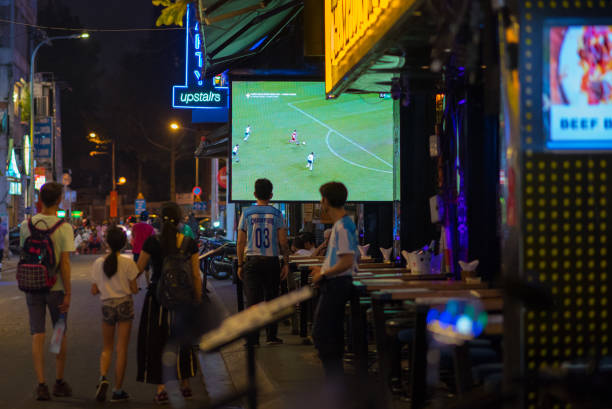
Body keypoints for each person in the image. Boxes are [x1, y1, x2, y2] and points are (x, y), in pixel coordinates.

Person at [135, 202, 202, 404]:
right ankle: (185, 385)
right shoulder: (189, 243)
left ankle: (162, 388)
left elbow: (138, 269)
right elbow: (196, 276)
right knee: (182, 340)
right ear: (180, 218)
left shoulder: (152, 242)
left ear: (161, 219)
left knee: (158, 342)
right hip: (183, 300)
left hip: (157, 299)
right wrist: (197, 300)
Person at [20, 182, 75, 400]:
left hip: (32, 286)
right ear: (59, 201)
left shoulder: (27, 225)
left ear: (40, 199)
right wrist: (69, 293)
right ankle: (58, 382)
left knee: (37, 334)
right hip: (57, 289)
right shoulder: (65, 227)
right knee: (59, 333)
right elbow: (65, 264)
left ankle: (41, 384)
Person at [310, 182, 358, 378]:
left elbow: (347, 261)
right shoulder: (342, 224)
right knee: (331, 332)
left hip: (337, 285)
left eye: (322, 199)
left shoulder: (343, 226)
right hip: (335, 283)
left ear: (326, 201)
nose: (322, 203)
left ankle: (334, 379)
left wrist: (323, 274)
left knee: (322, 333)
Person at [236, 178, 290, 346]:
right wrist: (286, 262)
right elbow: (283, 241)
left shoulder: (247, 213)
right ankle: (271, 336)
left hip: (252, 261)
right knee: (271, 299)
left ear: (254, 194)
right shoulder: (277, 214)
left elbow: (240, 242)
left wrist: (239, 264)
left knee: (252, 301)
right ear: (271, 195)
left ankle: (252, 339)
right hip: (271, 261)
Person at [91, 227, 139, 402]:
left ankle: (103, 377)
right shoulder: (128, 263)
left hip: (107, 306)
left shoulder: (98, 263)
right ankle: (118, 390)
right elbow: (134, 289)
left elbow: (94, 290)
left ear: (106, 242)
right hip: (125, 304)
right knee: (122, 349)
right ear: (123, 243)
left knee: (107, 347)